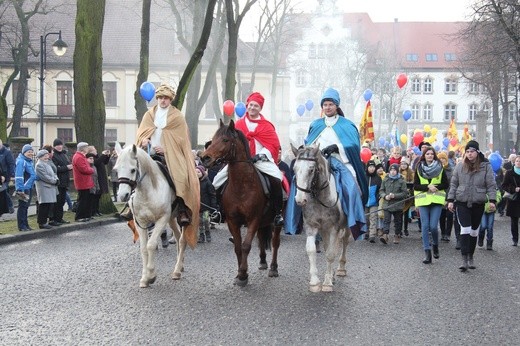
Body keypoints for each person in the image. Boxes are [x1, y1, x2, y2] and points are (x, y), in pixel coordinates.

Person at [286, 87, 367, 239]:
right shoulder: (316, 124)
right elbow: (309, 142)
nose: (327, 107)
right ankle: (296, 220)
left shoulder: (347, 125)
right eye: (325, 105)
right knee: (299, 180)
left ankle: (351, 220)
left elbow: (354, 146)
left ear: (336, 106)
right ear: (322, 107)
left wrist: (338, 147)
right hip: (318, 161)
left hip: (339, 160)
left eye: (330, 104)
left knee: (351, 187)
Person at [135, 84, 200, 238]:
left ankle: (182, 209)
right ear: (157, 99)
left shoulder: (177, 117)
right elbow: (141, 133)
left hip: (169, 156)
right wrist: (143, 140)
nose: (163, 101)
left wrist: (166, 150)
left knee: (181, 176)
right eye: (160, 98)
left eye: (166, 98)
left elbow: (182, 141)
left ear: (170, 100)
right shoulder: (148, 115)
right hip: (149, 155)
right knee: (135, 175)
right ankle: (131, 206)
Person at [212, 91, 285, 227]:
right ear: (247, 106)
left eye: (256, 106)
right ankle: (219, 211)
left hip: (260, 161)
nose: (252, 108)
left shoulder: (267, 126)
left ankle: (277, 213)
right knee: (217, 180)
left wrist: (261, 155)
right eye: (251, 105)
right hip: (240, 162)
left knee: (277, 178)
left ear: (260, 108)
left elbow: (273, 145)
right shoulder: (238, 124)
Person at [448, 140, 496, 272]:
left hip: (478, 202)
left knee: (474, 231)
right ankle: (464, 258)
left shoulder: (486, 166)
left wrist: (492, 200)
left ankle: (471, 256)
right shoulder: (459, 166)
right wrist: (450, 199)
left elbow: (491, 184)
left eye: (472, 151)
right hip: (462, 201)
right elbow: (453, 184)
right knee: (465, 228)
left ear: (477, 152)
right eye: (467, 152)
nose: (469, 154)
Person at [414, 146, 449, 264]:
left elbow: (446, 184)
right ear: (424, 155)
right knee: (425, 226)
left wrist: (436, 187)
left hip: (436, 200)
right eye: (428, 154)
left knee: (433, 226)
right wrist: (427, 187)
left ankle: (435, 245)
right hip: (423, 200)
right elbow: (416, 185)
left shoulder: (440, 168)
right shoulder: (419, 168)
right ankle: (427, 252)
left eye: (432, 154)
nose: (430, 156)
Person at [379, 163, 408, 244]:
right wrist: (385, 196)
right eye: (391, 170)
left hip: (397, 204)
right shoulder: (385, 179)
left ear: (397, 171)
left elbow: (404, 193)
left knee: (398, 221)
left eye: (394, 170)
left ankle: (397, 234)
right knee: (386, 220)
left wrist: (395, 196)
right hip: (387, 203)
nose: (392, 172)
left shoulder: (401, 180)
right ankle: (385, 235)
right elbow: (381, 190)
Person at [34, 149, 59, 229]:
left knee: (48, 205)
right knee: (44, 206)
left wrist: (56, 179)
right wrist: (54, 181)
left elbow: (53, 173)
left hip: (50, 187)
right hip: (44, 188)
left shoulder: (47, 163)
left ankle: (45, 221)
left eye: (47, 155)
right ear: (40, 157)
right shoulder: (39, 165)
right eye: (44, 156)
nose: (46, 157)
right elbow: (45, 177)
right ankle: (42, 222)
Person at [15, 144, 37, 231]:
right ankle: (22, 226)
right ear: (24, 152)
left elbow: (32, 175)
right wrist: (20, 189)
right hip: (23, 188)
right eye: (28, 152)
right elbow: (19, 176)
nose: (31, 153)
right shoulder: (21, 161)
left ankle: (26, 224)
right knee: (22, 207)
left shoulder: (29, 161)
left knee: (26, 206)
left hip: (29, 187)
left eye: (31, 152)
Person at [51, 138, 72, 224]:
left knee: (62, 201)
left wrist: (68, 167)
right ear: (54, 146)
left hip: (65, 181)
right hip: (58, 181)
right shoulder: (54, 156)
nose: (59, 147)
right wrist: (66, 168)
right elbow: (56, 168)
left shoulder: (64, 155)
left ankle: (60, 218)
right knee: (58, 201)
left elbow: (65, 165)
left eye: (60, 145)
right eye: (57, 145)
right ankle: (55, 218)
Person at [72, 142, 94, 222]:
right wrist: (92, 170)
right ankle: (79, 216)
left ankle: (85, 215)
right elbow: (84, 169)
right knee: (82, 200)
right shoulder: (79, 157)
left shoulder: (81, 156)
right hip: (82, 182)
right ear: (83, 148)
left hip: (85, 182)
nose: (88, 149)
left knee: (86, 199)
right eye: (86, 147)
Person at [501, 155, 520, 246]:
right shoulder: (509, 173)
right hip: (514, 200)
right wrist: (513, 189)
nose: (518, 163)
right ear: (514, 162)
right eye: (517, 161)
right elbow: (504, 185)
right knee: (514, 221)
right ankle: (515, 239)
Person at [86, 146, 110, 216]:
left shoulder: (97, 156)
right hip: (97, 178)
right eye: (94, 150)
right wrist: (103, 155)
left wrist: (107, 156)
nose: (96, 150)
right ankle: (93, 211)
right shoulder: (91, 158)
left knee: (98, 196)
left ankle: (97, 210)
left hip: (101, 177)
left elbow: (105, 162)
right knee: (95, 196)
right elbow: (97, 162)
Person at [196, 165, 217, 243]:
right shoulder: (194, 183)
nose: (196, 174)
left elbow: (212, 195)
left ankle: (207, 233)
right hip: (198, 207)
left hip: (206, 206)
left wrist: (213, 205)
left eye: (198, 172)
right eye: (195, 172)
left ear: (202, 172)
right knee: (199, 222)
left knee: (205, 220)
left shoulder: (207, 182)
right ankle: (201, 235)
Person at [437, 151, 454, 242]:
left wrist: (449, 198)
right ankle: (443, 232)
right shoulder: (436, 170)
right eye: (440, 159)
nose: (442, 160)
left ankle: (448, 233)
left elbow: (452, 184)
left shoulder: (451, 170)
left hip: (449, 196)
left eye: (443, 158)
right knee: (442, 216)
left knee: (450, 215)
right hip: (439, 196)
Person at [365, 160, 382, 243]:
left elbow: (380, 189)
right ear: (367, 168)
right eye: (370, 167)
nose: (371, 169)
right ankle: (366, 232)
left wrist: (377, 196)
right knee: (366, 218)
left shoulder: (378, 178)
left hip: (374, 201)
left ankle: (372, 235)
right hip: (364, 201)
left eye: (373, 167)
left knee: (373, 217)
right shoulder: (363, 177)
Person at [399, 157, 414, 236]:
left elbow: (413, 183)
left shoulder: (411, 173)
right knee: (400, 213)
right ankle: (400, 230)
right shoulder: (398, 172)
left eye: (405, 164)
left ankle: (405, 229)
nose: (403, 166)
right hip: (400, 196)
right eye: (402, 164)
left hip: (408, 195)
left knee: (406, 213)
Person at [0, 139, 15, 215]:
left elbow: (11, 164)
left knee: (4, 191)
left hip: (5, 176)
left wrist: (11, 175)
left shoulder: (7, 152)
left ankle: (10, 205)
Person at [86, 153, 100, 218]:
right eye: (90, 159)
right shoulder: (87, 167)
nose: (92, 160)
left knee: (93, 201)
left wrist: (97, 187)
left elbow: (96, 178)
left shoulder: (94, 167)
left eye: (92, 159)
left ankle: (92, 212)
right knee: (88, 201)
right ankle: (89, 214)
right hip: (88, 187)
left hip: (94, 186)